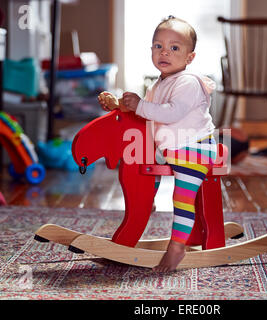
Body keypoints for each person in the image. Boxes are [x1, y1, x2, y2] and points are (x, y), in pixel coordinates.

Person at [99, 16, 217, 271]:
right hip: (171, 148)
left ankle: (177, 247)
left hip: (195, 147)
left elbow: (171, 113)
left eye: (175, 48)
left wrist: (141, 104)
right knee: (141, 164)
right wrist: (122, 105)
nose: (165, 52)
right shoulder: (159, 82)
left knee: (181, 197)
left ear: (189, 57)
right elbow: (146, 113)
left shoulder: (188, 82)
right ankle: (146, 200)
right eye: (158, 46)